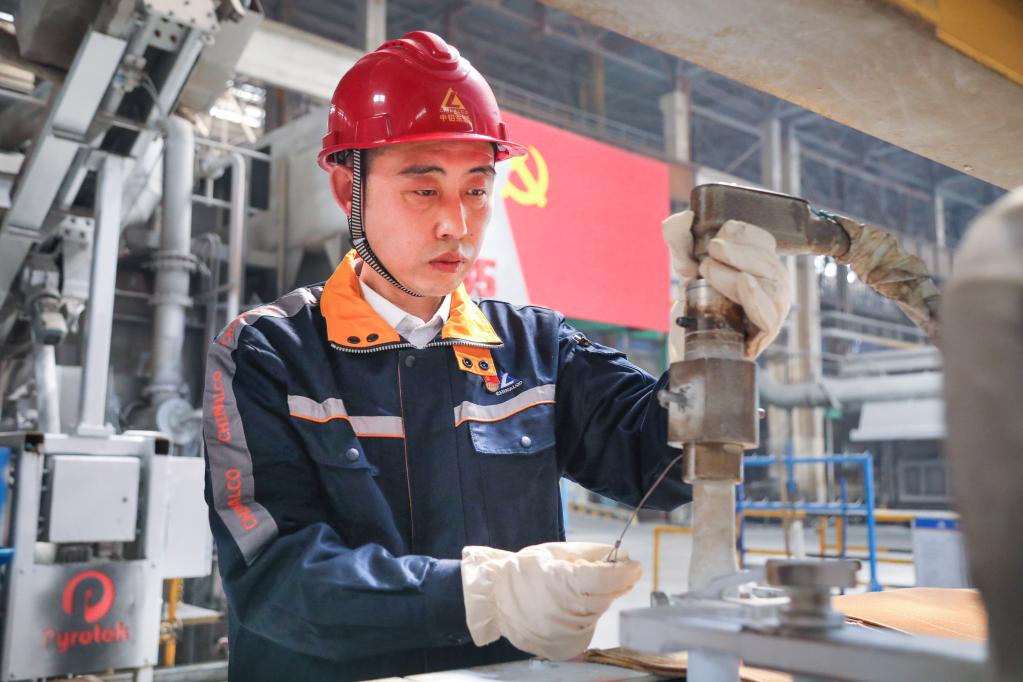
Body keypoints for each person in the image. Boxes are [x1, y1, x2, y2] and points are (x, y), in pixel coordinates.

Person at [202, 31, 791, 682]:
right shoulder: (269, 354)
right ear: (349, 190)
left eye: (476, 190)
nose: (456, 224)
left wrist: (716, 352)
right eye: (424, 190)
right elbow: (275, 578)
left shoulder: (534, 349)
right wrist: (481, 595)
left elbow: (658, 465)